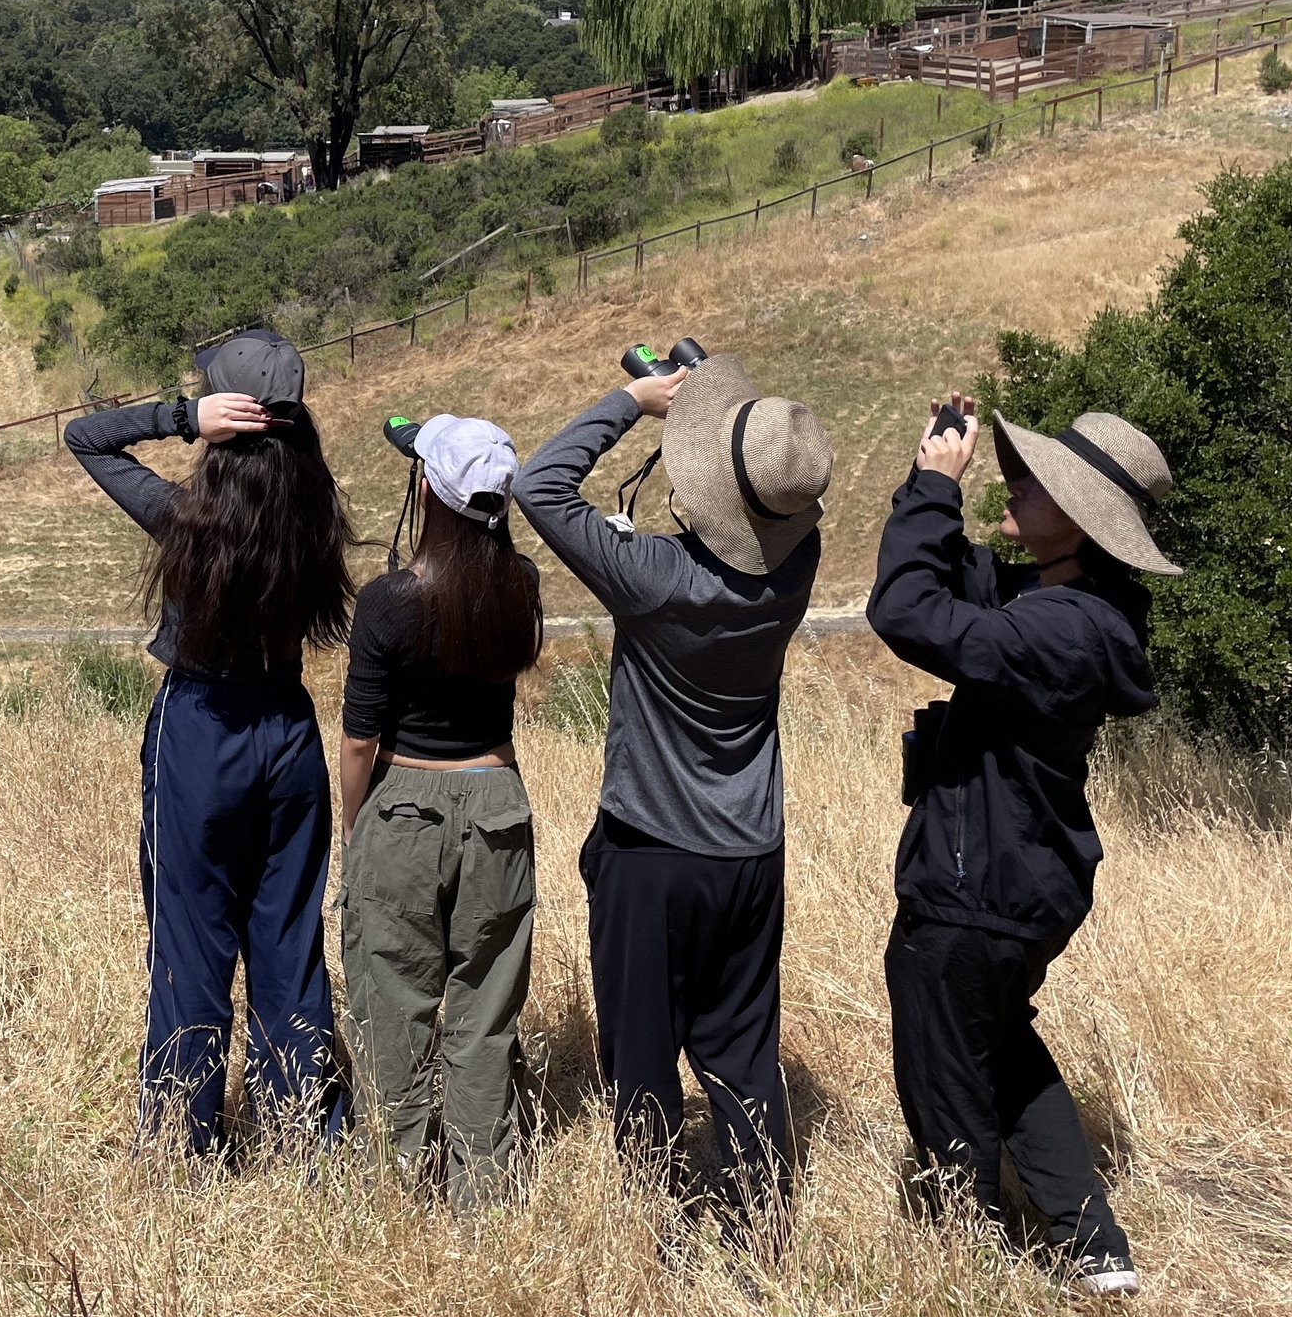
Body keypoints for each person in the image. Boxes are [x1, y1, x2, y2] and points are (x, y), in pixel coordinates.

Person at [514, 353, 833, 1228]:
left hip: (651, 853)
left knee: (644, 1046)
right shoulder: (796, 568)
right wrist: (716, 409)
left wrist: (634, 400)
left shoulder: (653, 580)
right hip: (749, 852)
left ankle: (653, 1209)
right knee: (741, 1046)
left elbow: (540, 486)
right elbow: (786, 483)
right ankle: (754, 1219)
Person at [866, 394, 1173, 1299]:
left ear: (1079, 517)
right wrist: (925, 482)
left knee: (946, 1076)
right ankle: (1094, 1243)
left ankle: (975, 1273)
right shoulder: (1067, 602)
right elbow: (958, 575)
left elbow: (907, 613)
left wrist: (934, 489)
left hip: (974, 892)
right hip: (1019, 882)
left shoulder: (1063, 628)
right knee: (1001, 1044)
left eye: (1036, 479)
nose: (1015, 480)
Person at [64, 329, 356, 1157]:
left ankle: (182, 1140)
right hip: (288, 731)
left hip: (201, 728)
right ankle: (305, 1137)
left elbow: (85, 437)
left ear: (231, 416)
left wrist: (184, 417)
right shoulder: (316, 520)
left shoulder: (185, 520)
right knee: (290, 942)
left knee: (190, 944)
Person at [337, 415, 543, 1206]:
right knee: (486, 1008)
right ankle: (482, 1188)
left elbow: (360, 741)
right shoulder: (518, 587)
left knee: (394, 1000)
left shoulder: (388, 601)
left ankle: (402, 1177)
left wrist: (357, 829)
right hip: (497, 800)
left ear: (426, 491)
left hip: (405, 800)